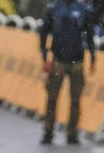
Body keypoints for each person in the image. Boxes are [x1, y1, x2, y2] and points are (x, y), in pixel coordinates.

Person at [39, 0, 96, 145]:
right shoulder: (54, 8)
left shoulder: (82, 9)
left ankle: (72, 133)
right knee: (52, 97)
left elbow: (89, 34)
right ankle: (48, 131)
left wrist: (93, 57)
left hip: (77, 61)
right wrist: (45, 56)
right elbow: (44, 31)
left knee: (76, 99)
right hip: (58, 59)